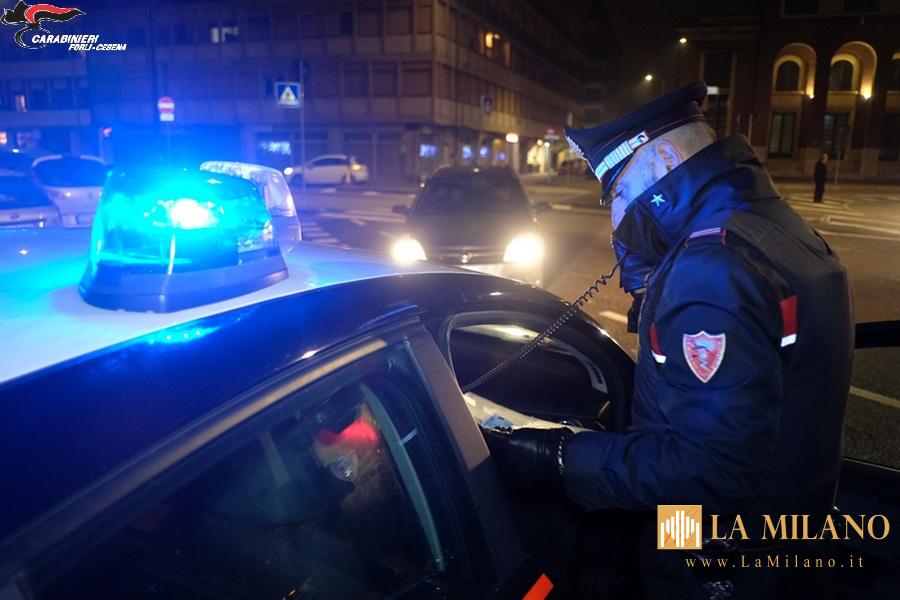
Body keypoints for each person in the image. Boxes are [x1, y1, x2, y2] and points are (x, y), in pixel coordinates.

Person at [481, 82, 853, 599]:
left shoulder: (711, 268)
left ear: (663, 162)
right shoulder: (766, 225)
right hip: (779, 543)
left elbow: (710, 475)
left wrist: (559, 456)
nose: (616, 217)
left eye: (618, 193)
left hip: (721, 565)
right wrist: (652, 276)